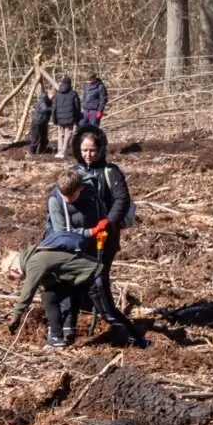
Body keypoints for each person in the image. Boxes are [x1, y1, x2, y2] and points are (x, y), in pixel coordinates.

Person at [73, 125, 146, 346]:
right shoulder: (74, 172)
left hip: (106, 237)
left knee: (99, 278)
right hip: (82, 236)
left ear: (100, 149)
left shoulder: (110, 172)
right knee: (80, 280)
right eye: (84, 150)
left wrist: (109, 222)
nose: (88, 155)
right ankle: (88, 317)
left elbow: (121, 200)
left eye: (92, 150)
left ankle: (113, 320)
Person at [5, 233, 103, 348]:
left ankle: (127, 334)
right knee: (49, 297)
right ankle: (61, 334)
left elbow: (28, 291)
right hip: (80, 278)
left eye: (12, 277)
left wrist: (16, 315)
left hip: (92, 274)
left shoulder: (34, 262)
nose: (17, 280)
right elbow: (51, 288)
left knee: (109, 312)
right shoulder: (36, 257)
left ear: (14, 269)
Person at [46, 169, 89, 236]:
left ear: (81, 188)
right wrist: (91, 232)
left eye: (71, 196)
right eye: (64, 195)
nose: (67, 200)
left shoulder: (91, 193)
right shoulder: (54, 200)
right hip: (63, 241)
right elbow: (61, 233)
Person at [50, 75, 82, 159]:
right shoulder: (73, 94)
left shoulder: (57, 94)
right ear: (70, 84)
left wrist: (54, 119)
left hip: (59, 119)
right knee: (68, 134)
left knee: (61, 134)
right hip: (70, 119)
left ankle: (59, 151)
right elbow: (77, 108)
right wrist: (77, 119)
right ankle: (64, 151)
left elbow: (54, 108)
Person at [28, 84, 53, 157]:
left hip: (44, 122)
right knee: (35, 140)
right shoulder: (43, 99)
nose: (53, 99)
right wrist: (53, 108)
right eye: (52, 97)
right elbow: (44, 109)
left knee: (44, 140)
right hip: (37, 122)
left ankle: (41, 154)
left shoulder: (50, 100)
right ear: (49, 94)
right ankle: (31, 154)